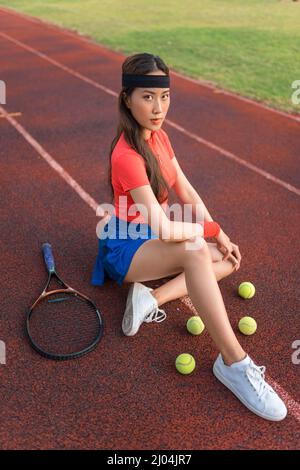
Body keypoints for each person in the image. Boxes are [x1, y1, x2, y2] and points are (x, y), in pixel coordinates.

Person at [91, 52, 287, 421]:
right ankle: (234, 362)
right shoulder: (127, 155)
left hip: (153, 240)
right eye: (147, 96)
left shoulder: (160, 138)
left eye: (164, 96)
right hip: (126, 246)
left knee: (226, 260)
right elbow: (165, 228)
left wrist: (222, 234)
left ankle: (152, 298)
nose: (158, 106)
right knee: (197, 250)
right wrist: (209, 233)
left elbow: (187, 191)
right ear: (127, 98)